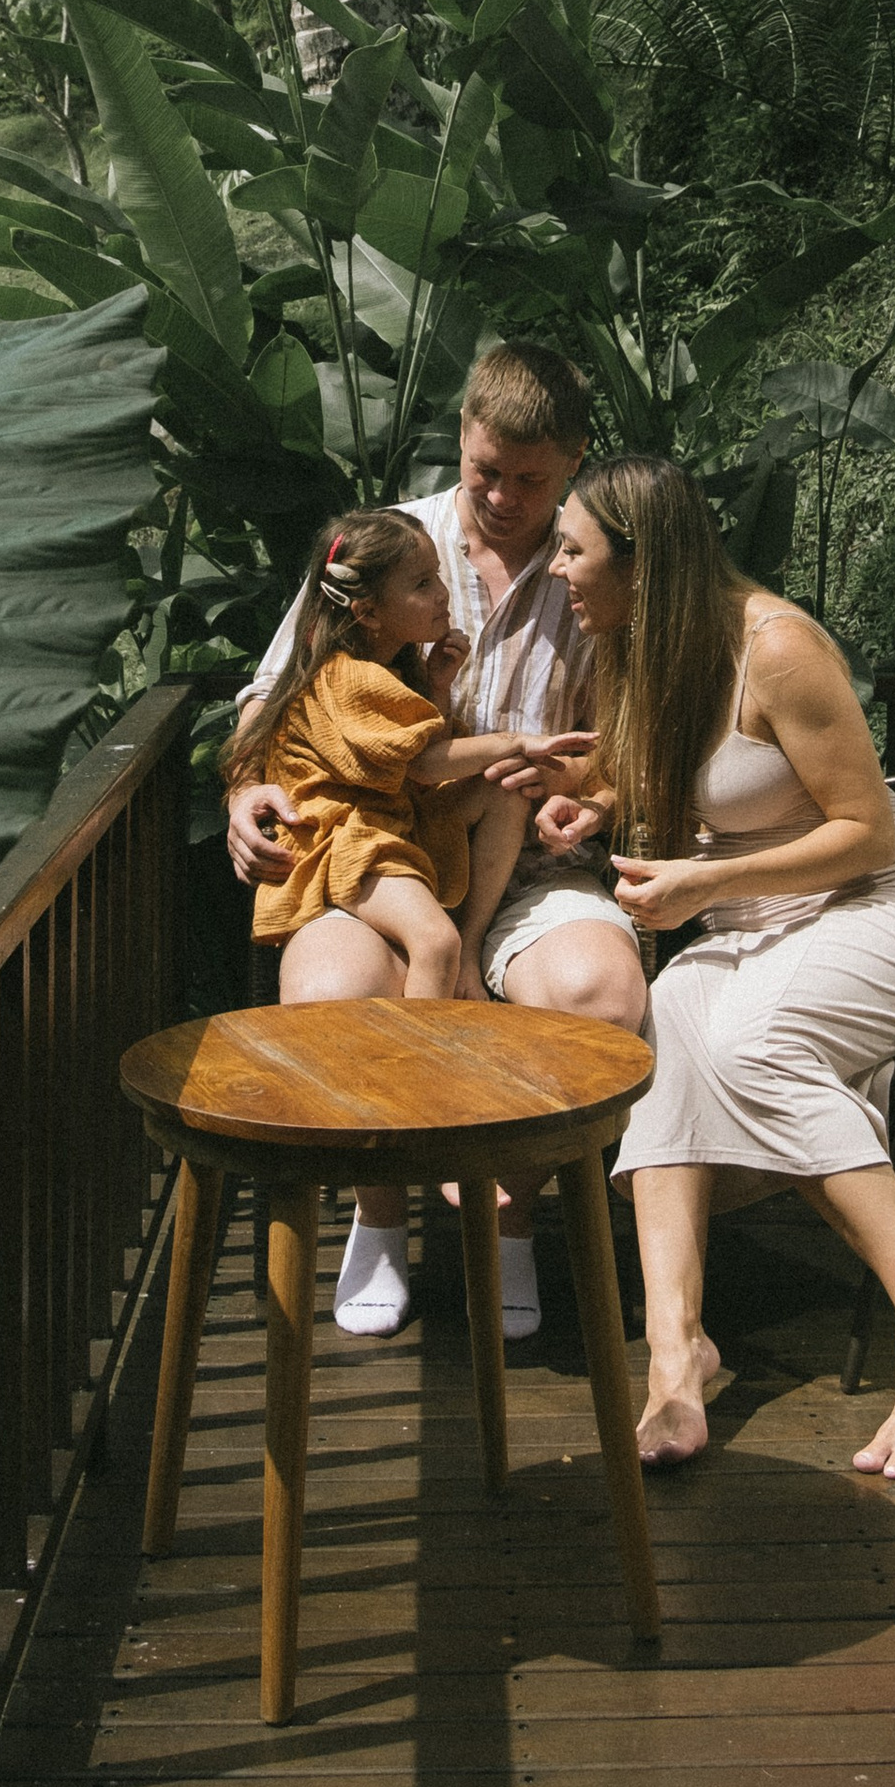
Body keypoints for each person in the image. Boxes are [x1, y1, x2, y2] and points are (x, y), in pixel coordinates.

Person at [541, 455, 895, 1483]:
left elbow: (869, 835)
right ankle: (675, 1355)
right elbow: (657, 767)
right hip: (769, 925)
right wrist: (597, 805)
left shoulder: (776, 648)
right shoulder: (638, 645)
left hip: (887, 911)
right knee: (668, 1016)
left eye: (574, 548)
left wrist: (701, 887)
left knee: (751, 1039)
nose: (558, 566)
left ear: (642, 562)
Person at [226, 344, 649, 1340]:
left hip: (530, 866)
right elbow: (274, 696)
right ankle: (382, 1212)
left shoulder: (598, 559)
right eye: (483, 472)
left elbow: (634, 748)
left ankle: (507, 1219)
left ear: (576, 460)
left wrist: (584, 794)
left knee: (606, 994)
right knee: (331, 995)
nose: (501, 497)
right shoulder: (386, 543)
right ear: (461, 434)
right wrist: (246, 791)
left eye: (530, 480)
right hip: (378, 853)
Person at [222, 506, 552, 998]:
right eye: (422, 584)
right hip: (344, 838)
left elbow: (410, 750)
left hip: (389, 819)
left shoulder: (392, 665)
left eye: (438, 575)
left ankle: (471, 942)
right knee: (434, 942)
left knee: (506, 787)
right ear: (368, 612)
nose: (442, 593)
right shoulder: (350, 675)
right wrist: (513, 740)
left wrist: (438, 688)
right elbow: (421, 765)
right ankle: (426, 1060)